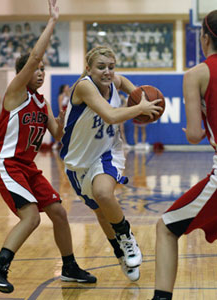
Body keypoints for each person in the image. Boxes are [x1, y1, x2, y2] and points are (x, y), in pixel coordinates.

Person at [0, 0, 96, 294]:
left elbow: (58, 135)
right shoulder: (15, 93)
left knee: (59, 213)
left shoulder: (41, 102)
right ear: (23, 73)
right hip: (5, 163)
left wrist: (64, 121)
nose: (41, 72)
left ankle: (70, 267)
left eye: (43, 69)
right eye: (36, 68)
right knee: (32, 216)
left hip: (27, 167)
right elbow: (36, 53)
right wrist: (52, 21)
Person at [60, 45, 163, 281]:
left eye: (111, 67)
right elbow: (111, 115)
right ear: (88, 68)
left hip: (108, 151)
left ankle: (128, 240)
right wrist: (140, 107)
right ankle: (120, 254)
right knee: (99, 210)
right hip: (77, 162)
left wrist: (137, 93)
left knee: (104, 193)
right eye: (101, 67)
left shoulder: (113, 80)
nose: (107, 72)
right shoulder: (85, 86)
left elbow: (122, 81)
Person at [152, 10, 217, 300]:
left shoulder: (196, 74)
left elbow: (193, 135)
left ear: (204, 39)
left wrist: (203, 118)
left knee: (166, 228)